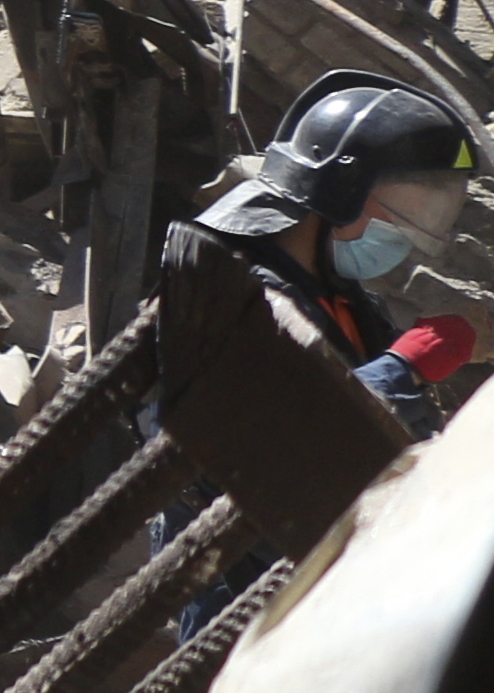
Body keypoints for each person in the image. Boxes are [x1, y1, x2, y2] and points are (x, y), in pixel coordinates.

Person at [183, 70, 479, 435]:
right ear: (340, 194)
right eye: (400, 217)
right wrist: (405, 366)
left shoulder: (350, 304)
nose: (406, 237)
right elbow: (271, 438)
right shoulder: (229, 297)